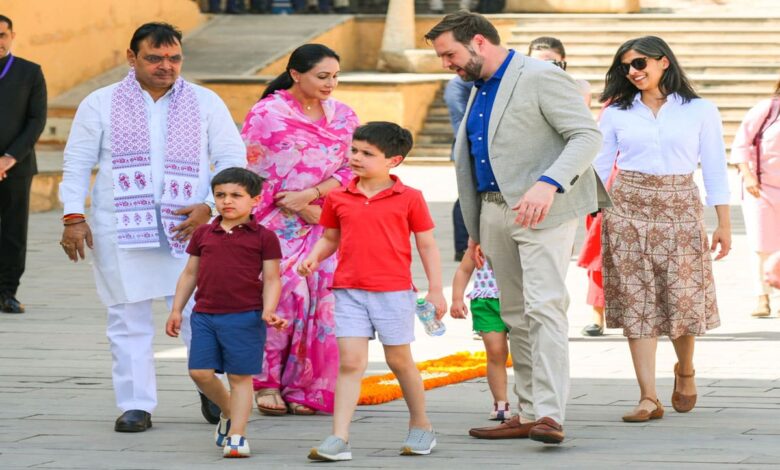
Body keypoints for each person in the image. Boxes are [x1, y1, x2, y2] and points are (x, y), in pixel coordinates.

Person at [426, 11, 605, 444]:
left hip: (544, 210)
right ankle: (525, 412)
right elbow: (477, 155)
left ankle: (549, 415)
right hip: (491, 214)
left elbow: (586, 136)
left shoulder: (541, 75)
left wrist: (548, 184)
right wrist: (475, 228)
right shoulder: (476, 86)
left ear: (479, 42)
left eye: (449, 53)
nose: (446, 63)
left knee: (544, 308)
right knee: (514, 316)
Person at [58, 22, 246, 432]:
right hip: (122, 228)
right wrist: (73, 215)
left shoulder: (205, 101)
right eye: (155, 58)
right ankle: (135, 404)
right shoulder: (100, 102)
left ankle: (210, 390)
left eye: (174, 58)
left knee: (201, 314)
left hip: (191, 228)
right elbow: (76, 163)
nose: (166, 66)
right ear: (132, 58)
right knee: (127, 317)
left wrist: (212, 206)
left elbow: (233, 158)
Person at [595, 36, 731, 422]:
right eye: (625, 67)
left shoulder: (700, 110)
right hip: (627, 209)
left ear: (664, 62)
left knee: (681, 299)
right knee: (638, 302)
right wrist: (589, 214)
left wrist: (723, 222)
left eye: (639, 64)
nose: (632, 72)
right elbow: (602, 167)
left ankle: (685, 369)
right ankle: (648, 397)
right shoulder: (617, 112)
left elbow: (715, 166)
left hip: (681, 207)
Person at [299, 121, 447, 461]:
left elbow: (427, 246)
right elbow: (330, 238)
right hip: (348, 290)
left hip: (393, 292)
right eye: (354, 150)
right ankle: (339, 437)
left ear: (393, 161)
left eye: (367, 153)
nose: (356, 157)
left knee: (399, 360)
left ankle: (421, 425)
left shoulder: (410, 198)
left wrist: (436, 290)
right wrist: (313, 257)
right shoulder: (338, 196)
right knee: (350, 363)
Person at [241, 43, 359, 416]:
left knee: (326, 296)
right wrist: (293, 204)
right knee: (288, 292)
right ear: (295, 74)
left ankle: (307, 385)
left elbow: (353, 167)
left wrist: (314, 198)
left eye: (335, 77)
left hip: (327, 221)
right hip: (275, 220)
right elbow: (251, 172)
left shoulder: (343, 116)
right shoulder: (267, 114)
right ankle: (266, 382)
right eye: (322, 76)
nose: (331, 84)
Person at [166, 168, 286, 458]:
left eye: (236, 195)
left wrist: (269, 310)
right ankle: (230, 411)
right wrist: (176, 310)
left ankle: (237, 435)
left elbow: (272, 279)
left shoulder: (264, 237)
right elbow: (190, 273)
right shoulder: (204, 233)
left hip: (245, 317)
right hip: (205, 315)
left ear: (255, 200)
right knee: (199, 373)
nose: (226, 201)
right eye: (220, 195)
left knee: (239, 378)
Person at [0, 14, 47, 314]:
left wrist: (9, 157)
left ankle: (7, 292)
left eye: (2, 34)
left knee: (13, 232)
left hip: (17, 166)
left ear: (12, 36)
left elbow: (36, 120)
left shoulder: (30, 72)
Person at [731, 85, 780, 317]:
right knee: (762, 245)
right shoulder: (767, 109)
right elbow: (741, 143)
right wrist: (748, 175)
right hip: (759, 187)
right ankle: (763, 297)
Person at [450, 243, 511, 421]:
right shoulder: (477, 242)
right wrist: (456, 298)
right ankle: (501, 402)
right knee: (495, 352)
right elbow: (463, 270)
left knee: (525, 353)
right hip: (486, 301)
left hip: (518, 298)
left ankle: (530, 402)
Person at [443, 75, 473, 261]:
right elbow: (463, 118)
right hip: (466, 148)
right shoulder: (457, 85)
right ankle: (462, 247)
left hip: (482, 148)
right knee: (466, 196)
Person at [527, 36, 591, 107]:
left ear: (562, 61)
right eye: (535, 63)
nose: (541, 69)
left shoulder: (578, 88)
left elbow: (580, 116)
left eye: (549, 64)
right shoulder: (519, 88)